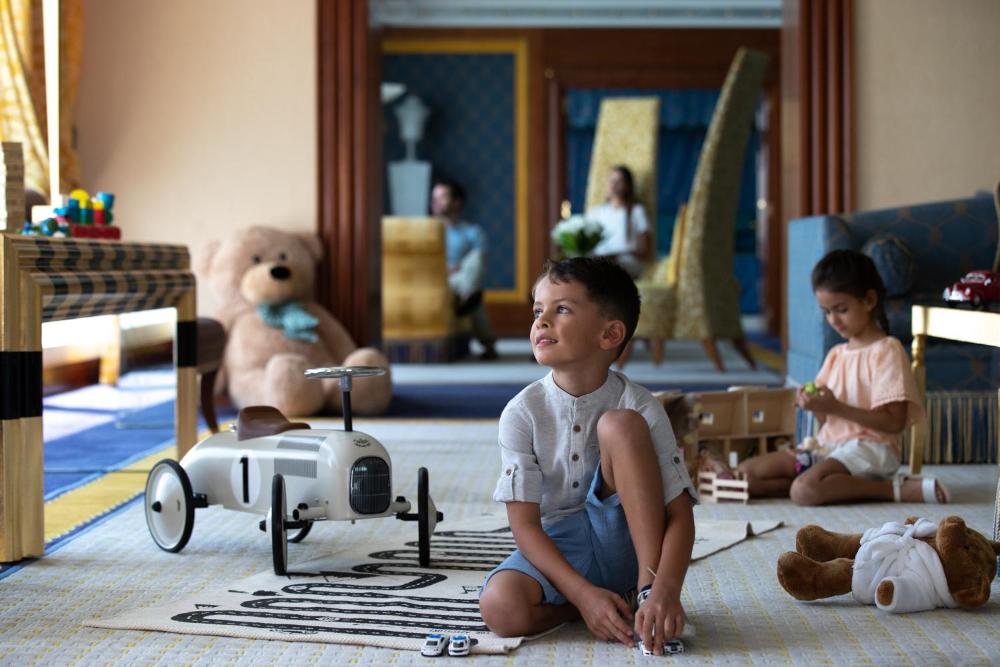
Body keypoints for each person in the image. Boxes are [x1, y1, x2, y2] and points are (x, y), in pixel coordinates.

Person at [478, 257, 697, 655]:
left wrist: (665, 588)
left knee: (620, 425)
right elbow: (524, 526)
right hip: (561, 549)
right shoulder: (521, 413)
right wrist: (581, 596)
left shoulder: (640, 406)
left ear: (610, 334)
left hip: (632, 545)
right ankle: (596, 608)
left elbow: (679, 513)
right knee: (500, 608)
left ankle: (643, 594)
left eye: (561, 309)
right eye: (537, 311)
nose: (542, 322)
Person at [737, 249, 948, 505]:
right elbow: (827, 419)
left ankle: (894, 489)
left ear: (869, 300)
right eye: (826, 312)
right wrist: (814, 405)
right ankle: (817, 483)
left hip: (870, 448)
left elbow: (894, 422)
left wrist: (835, 406)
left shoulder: (886, 350)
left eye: (841, 309)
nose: (833, 320)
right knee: (746, 474)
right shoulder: (836, 354)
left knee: (804, 491)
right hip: (828, 446)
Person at [430, 177, 498, 360]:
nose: (436, 201)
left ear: (457, 202)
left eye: (442, 197)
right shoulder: (426, 231)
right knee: (474, 300)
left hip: (461, 279)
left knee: (476, 258)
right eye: (434, 197)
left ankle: (467, 296)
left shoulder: (472, 231)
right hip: (436, 279)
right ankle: (469, 301)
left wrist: (456, 269)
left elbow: (479, 262)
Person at [584, 165, 652, 279]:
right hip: (600, 262)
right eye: (611, 180)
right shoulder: (596, 212)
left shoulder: (637, 211)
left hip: (627, 263)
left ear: (627, 186)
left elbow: (644, 250)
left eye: (619, 181)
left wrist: (617, 256)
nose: (614, 185)